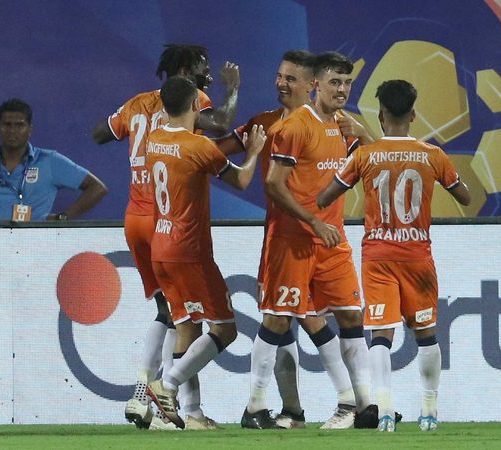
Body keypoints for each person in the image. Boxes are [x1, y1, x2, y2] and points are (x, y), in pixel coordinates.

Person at [218, 50, 369, 430]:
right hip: (290, 239)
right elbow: (270, 182)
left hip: (330, 240)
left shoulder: (344, 125)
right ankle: (265, 407)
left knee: (345, 316)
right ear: (317, 84)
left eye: (347, 83)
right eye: (335, 82)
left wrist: (365, 134)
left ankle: (360, 405)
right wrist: (314, 221)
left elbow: (369, 161)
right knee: (280, 319)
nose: (342, 89)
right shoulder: (283, 126)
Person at [91, 44, 240, 429]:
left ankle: (163, 402)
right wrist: (233, 92)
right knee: (183, 316)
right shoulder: (190, 101)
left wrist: (130, 129)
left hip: (135, 219)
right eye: (202, 66)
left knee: (170, 312)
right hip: (167, 220)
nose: (208, 73)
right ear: (186, 71)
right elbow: (220, 125)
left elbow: (99, 134)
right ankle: (157, 394)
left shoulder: (138, 103)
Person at [318, 79, 470, 432]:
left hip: (378, 256)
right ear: (413, 115)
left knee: (381, 335)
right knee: (426, 334)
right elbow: (464, 195)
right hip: (418, 255)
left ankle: (385, 409)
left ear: (381, 115)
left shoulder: (364, 156)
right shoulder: (433, 155)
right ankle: (429, 409)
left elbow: (325, 197)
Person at [144, 75, 265, 430]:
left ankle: (193, 413)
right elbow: (241, 180)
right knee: (225, 329)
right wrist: (254, 151)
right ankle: (166, 385)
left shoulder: (154, 139)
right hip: (190, 253)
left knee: (186, 328)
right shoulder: (199, 146)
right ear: (197, 105)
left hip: (160, 248)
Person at [0, 98, 107, 222]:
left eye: (19, 125)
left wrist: (63, 218)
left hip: (36, 234)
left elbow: (98, 188)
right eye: (7, 125)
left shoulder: (49, 161)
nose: (12, 131)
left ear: (30, 129)